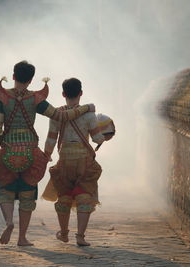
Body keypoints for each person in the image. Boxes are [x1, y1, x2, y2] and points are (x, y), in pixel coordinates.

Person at [0, 61, 95, 246]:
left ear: (14, 76)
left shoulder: (2, 97)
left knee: (5, 189)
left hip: (8, 150)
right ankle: (22, 238)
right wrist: (86, 108)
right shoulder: (36, 99)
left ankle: (9, 222)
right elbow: (61, 116)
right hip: (31, 152)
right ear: (31, 80)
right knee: (27, 193)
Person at [43, 78, 111, 246]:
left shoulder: (57, 115)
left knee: (64, 196)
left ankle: (64, 233)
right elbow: (96, 138)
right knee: (84, 196)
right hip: (84, 160)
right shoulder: (89, 114)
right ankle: (80, 236)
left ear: (63, 94)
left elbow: (51, 139)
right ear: (81, 93)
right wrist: (106, 136)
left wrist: (47, 155)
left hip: (64, 160)